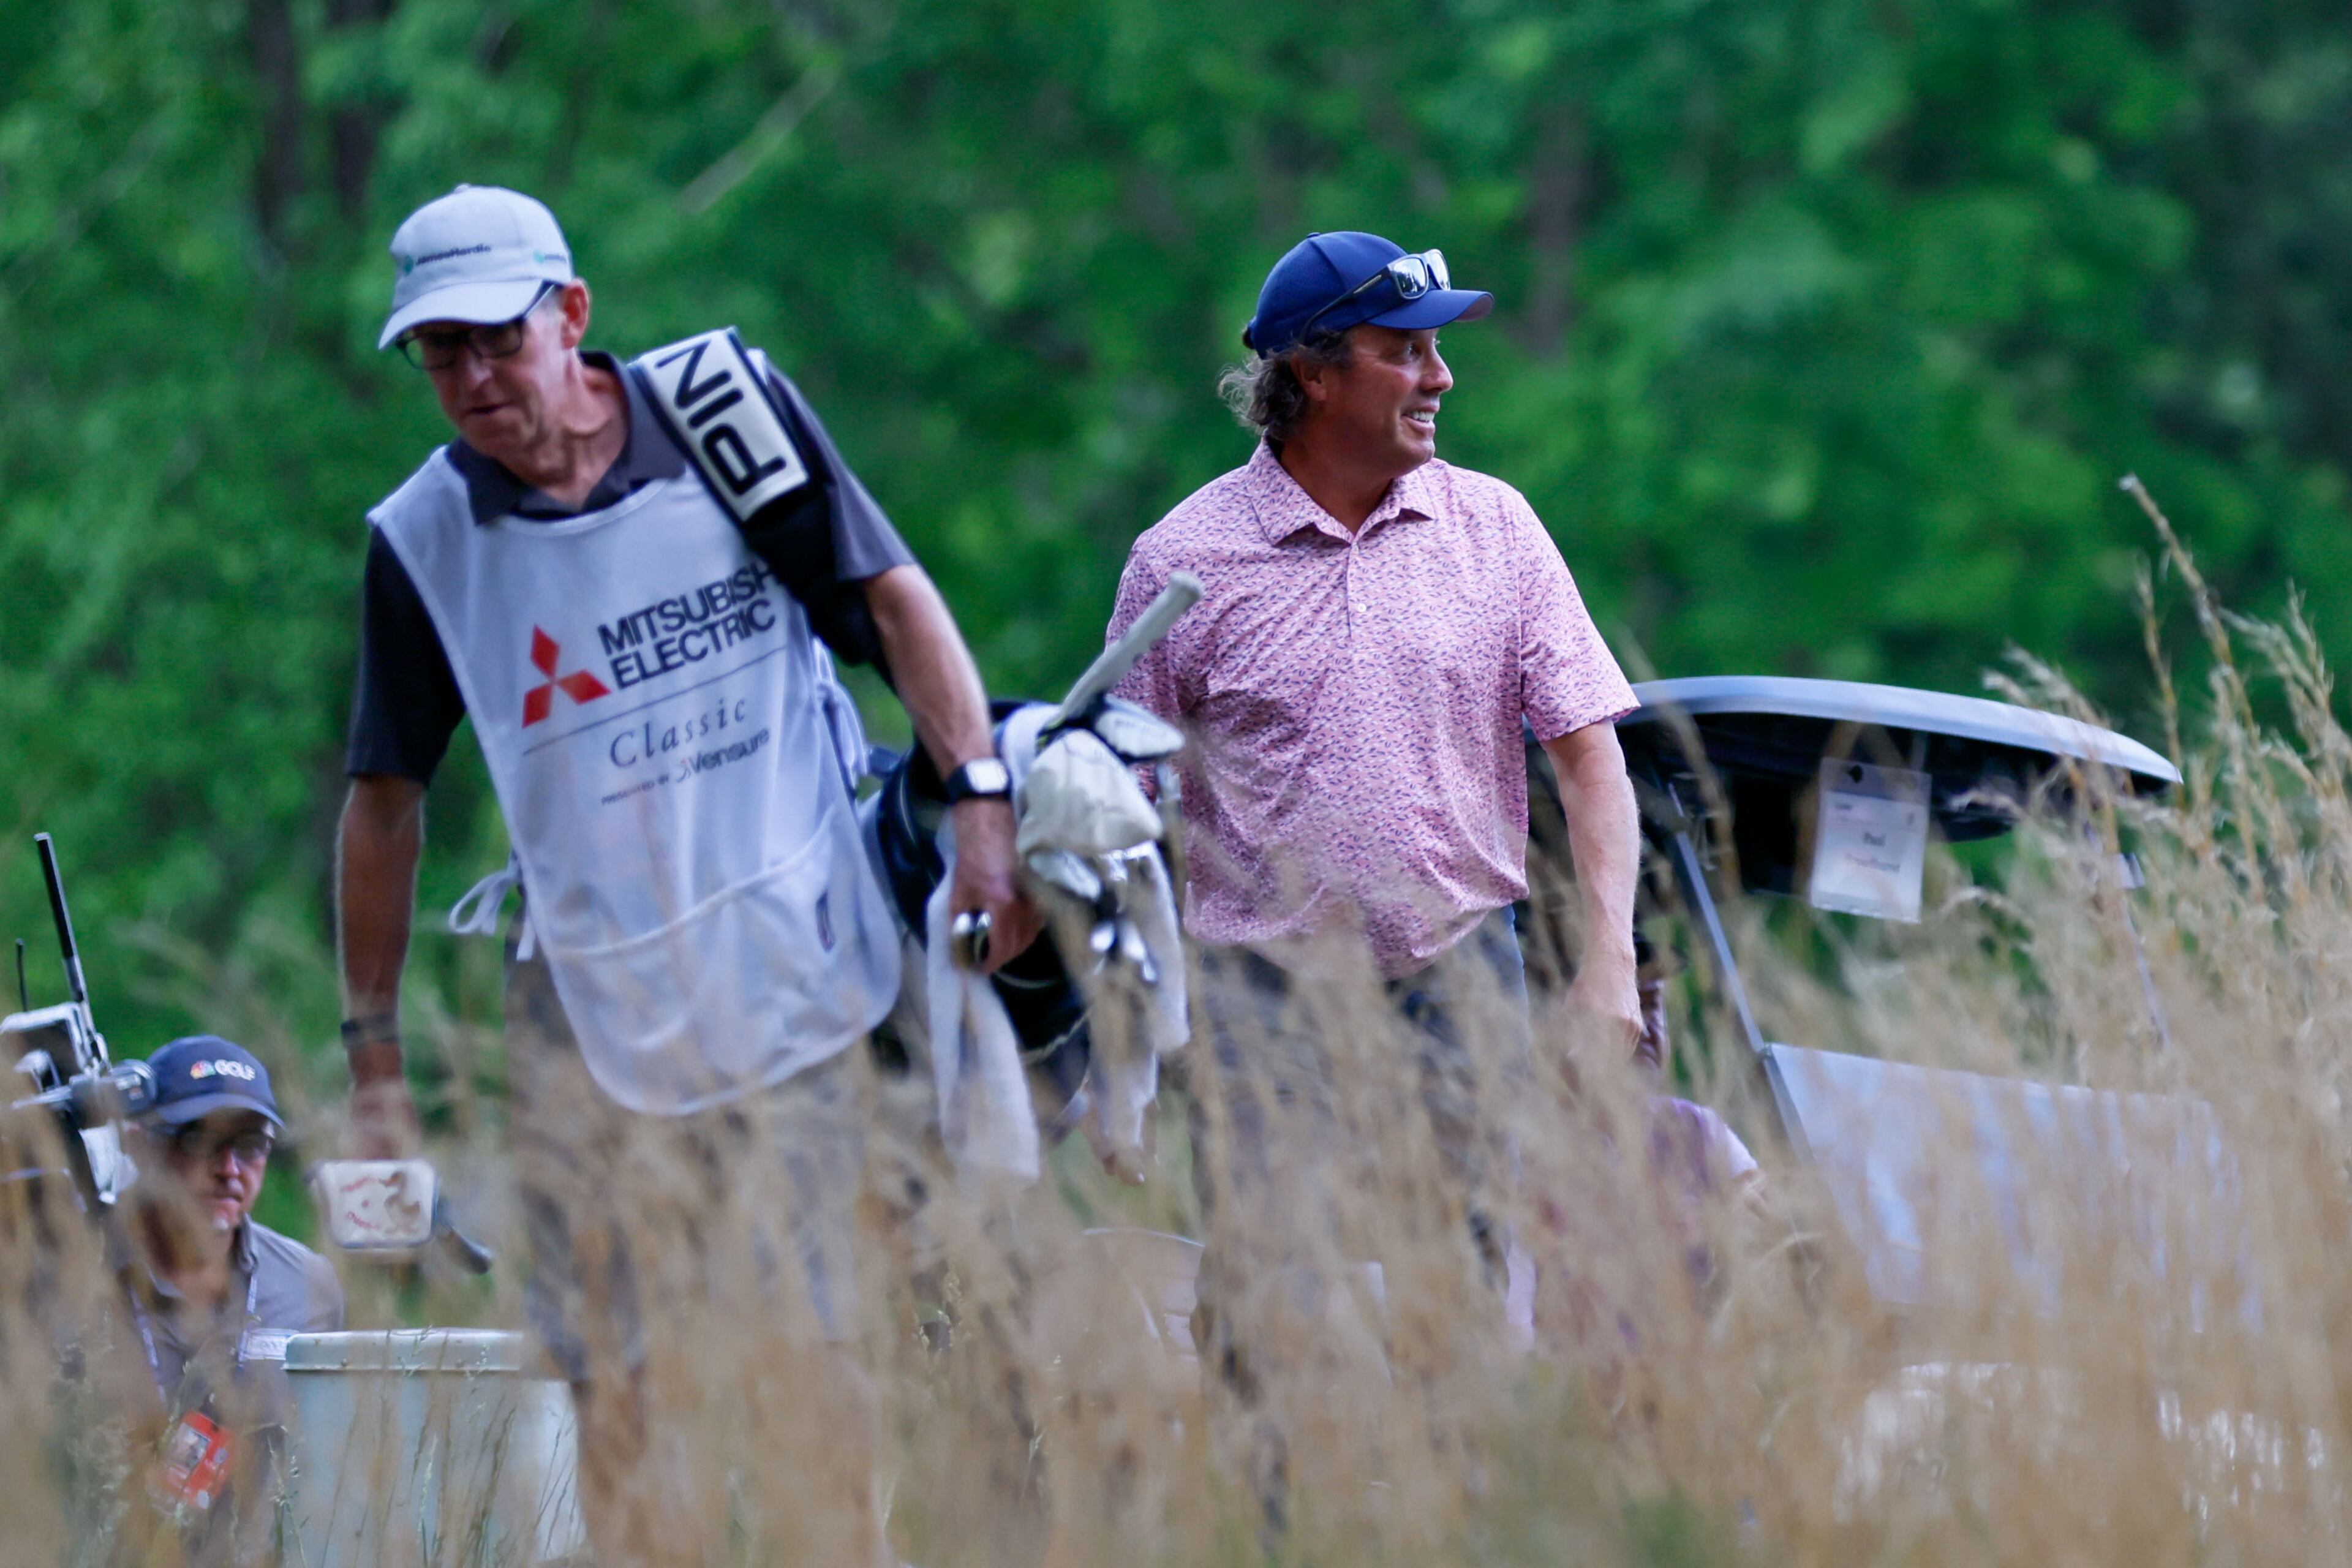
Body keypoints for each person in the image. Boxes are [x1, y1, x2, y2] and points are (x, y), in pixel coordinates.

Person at [334, 184, 1035, 1564]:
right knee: (623, 1395)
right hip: (589, 1017)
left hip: (796, 975)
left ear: (571, 314)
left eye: (495, 338)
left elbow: (893, 598)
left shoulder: (722, 410)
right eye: (438, 352)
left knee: (819, 1367)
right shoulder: (422, 539)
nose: (471, 377)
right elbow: (382, 801)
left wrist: (982, 810)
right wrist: (373, 1052)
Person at [1104, 231, 1645, 1506]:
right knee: (1266, 1309)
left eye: (1438, 348)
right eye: (1406, 351)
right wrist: (1122, 1049)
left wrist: (1609, 957)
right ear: (1312, 374)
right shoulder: (1181, 562)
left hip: (1462, 969)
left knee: (1467, 1296)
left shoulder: (1496, 527)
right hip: (1259, 997)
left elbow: (1589, 759)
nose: (1441, 377)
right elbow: (1122, 826)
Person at [118, 1035, 343, 1561]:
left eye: (252, 1146)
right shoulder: (72, 1270)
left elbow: (332, 1461)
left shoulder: (310, 1286)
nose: (230, 1170)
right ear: (139, 1144)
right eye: (200, 1141)